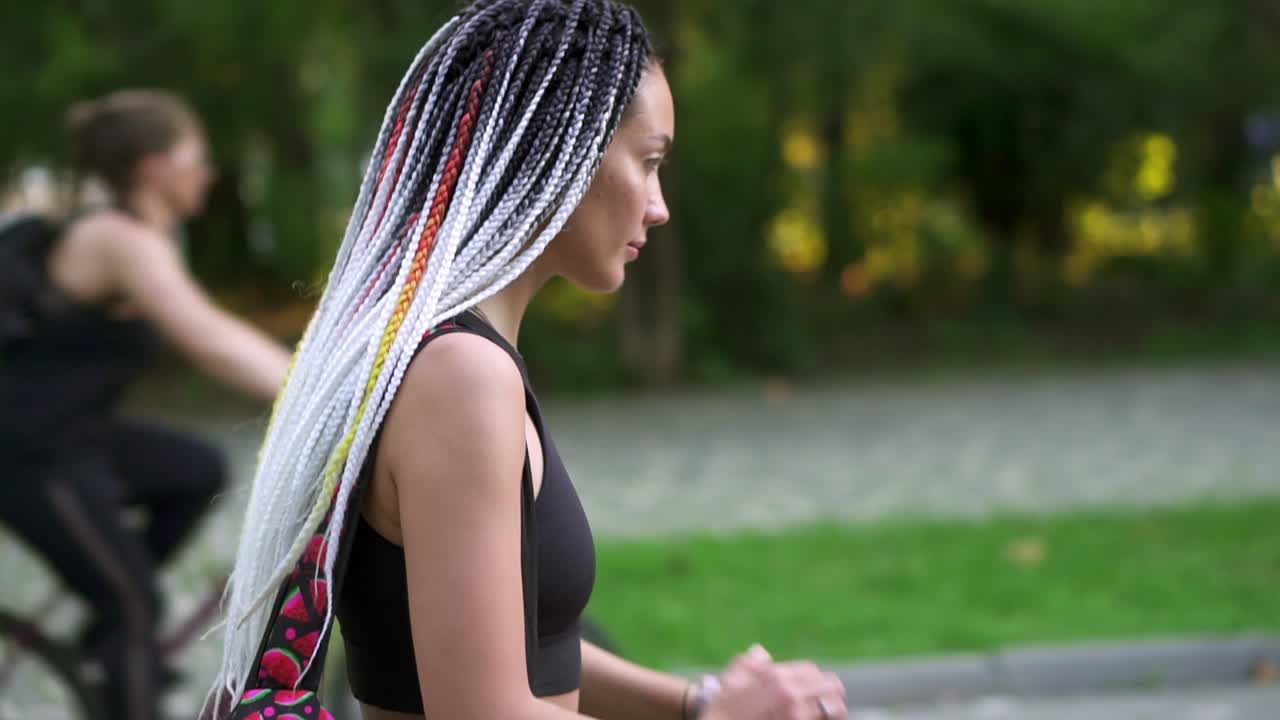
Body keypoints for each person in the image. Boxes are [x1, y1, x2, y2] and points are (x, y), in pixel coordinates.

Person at [210, 1, 850, 719]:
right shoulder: (461, 377)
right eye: (648, 162)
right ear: (557, 151)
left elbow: (514, 645)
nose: (659, 204)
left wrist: (696, 703)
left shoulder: (428, 349)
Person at [0, 89, 293, 720]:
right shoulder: (115, 239)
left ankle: (112, 631)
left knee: (195, 470)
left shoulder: (141, 238)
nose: (207, 172)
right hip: (26, 453)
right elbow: (208, 338)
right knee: (134, 604)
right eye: (197, 157)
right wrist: (322, 395)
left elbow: (211, 328)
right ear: (155, 167)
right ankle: (121, 631)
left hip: (75, 435)